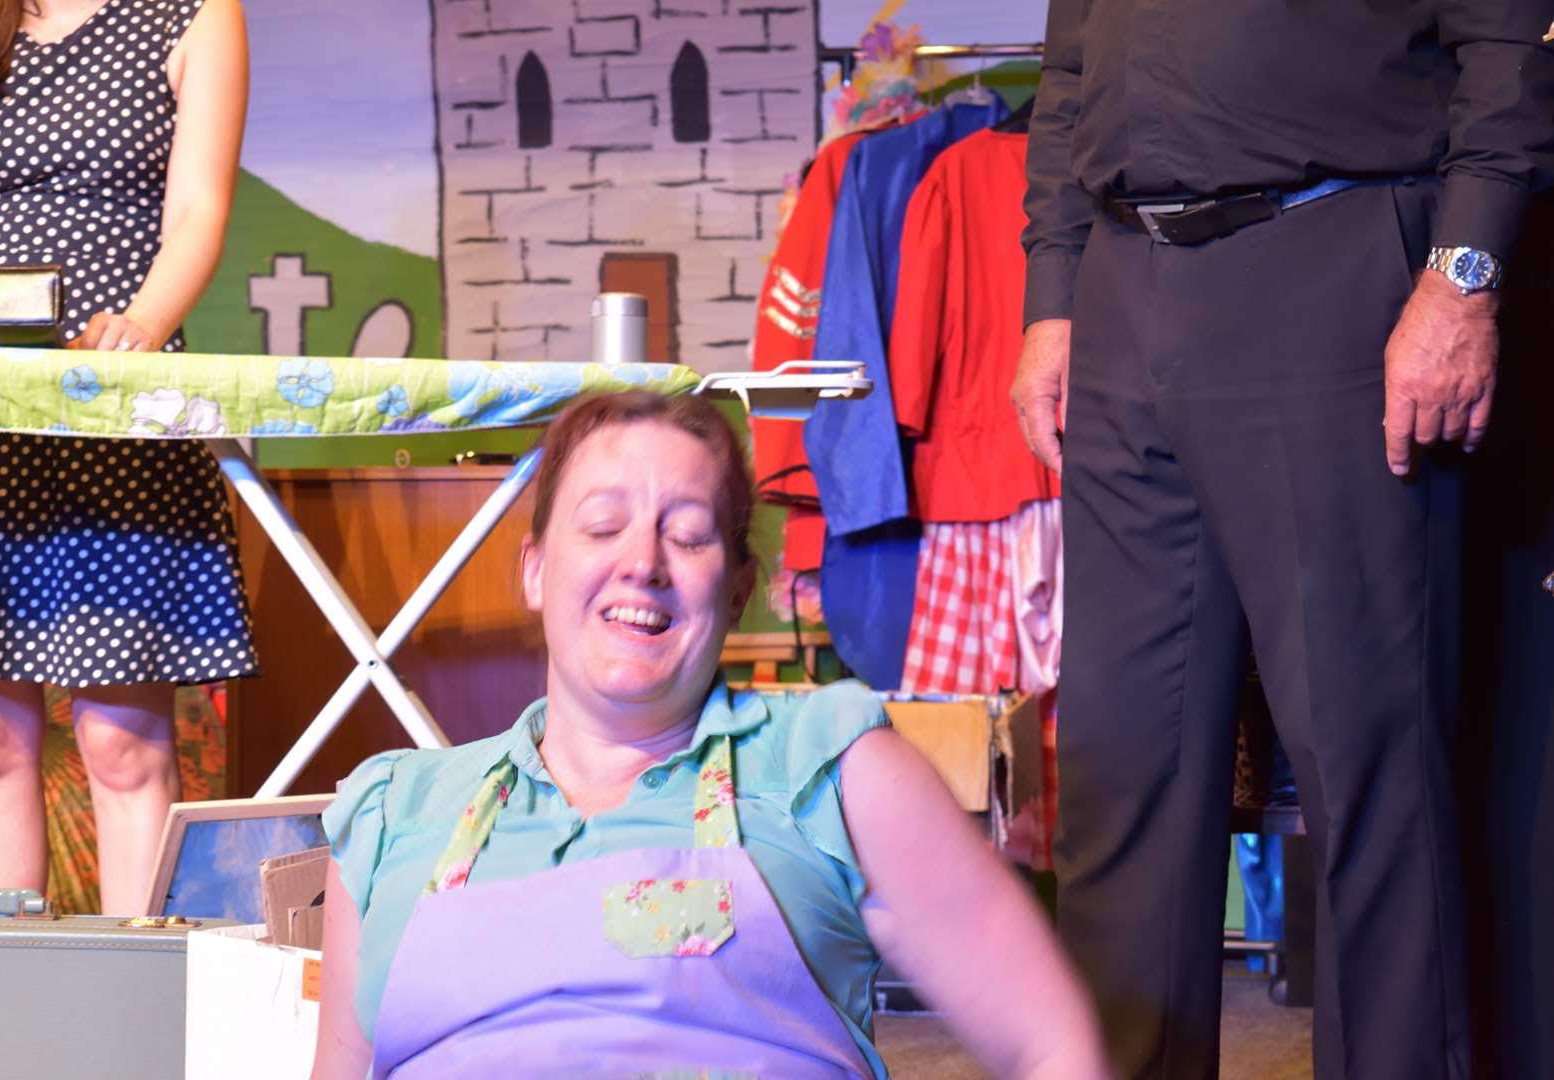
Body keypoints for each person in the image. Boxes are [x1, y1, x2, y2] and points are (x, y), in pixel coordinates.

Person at [1011, 4, 1554, 1079]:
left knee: (1369, 775)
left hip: (1334, 259)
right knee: (1124, 778)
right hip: (1122, 285)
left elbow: (1508, 43)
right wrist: (1053, 294)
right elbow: (1070, 69)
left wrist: (1464, 277)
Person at [312, 391, 1109, 1080]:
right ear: (534, 570)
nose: (643, 562)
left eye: (689, 535)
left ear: (736, 592)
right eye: (602, 526)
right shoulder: (392, 813)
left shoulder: (832, 767)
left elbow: (1051, 1045)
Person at [0, 0, 253, 915]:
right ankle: (2, 989)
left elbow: (198, 208)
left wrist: (142, 324)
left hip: (116, 407)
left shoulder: (193, 14)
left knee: (122, 742)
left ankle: (136, 983)